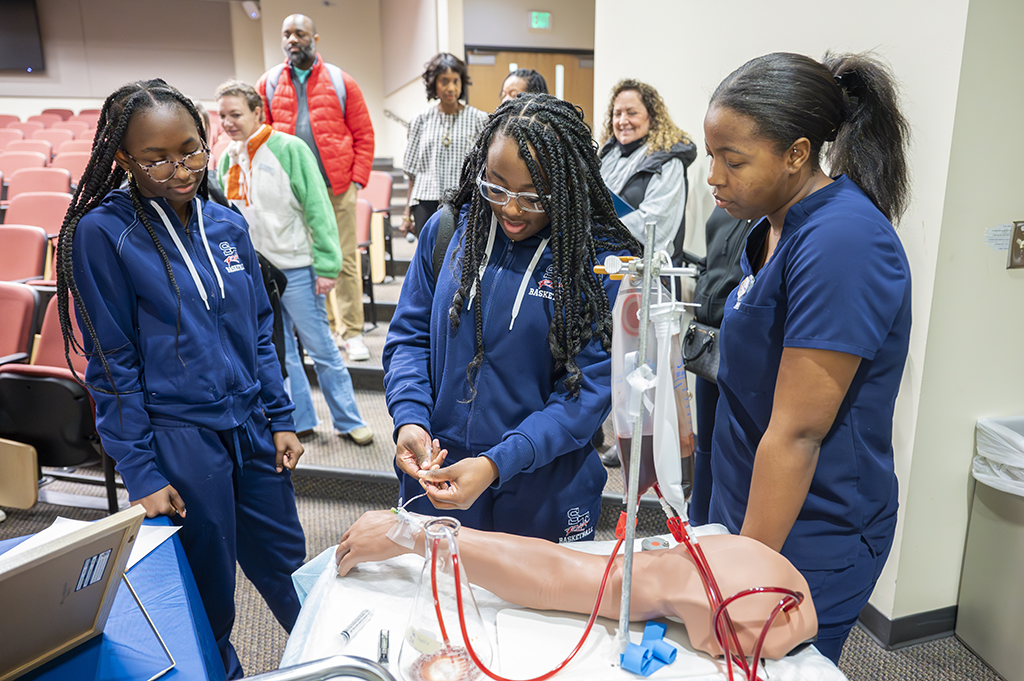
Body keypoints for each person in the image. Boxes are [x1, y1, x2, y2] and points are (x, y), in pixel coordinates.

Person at [54, 79, 308, 679]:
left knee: (289, 565)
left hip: (251, 428)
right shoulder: (104, 235)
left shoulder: (227, 225)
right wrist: (140, 469)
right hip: (181, 440)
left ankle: (328, 658)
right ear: (123, 159)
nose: (180, 168)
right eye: (157, 158)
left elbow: (259, 331)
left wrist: (281, 417)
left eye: (191, 149)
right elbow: (112, 364)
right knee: (208, 590)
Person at [704, 52, 912, 663]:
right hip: (747, 505)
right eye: (711, 154)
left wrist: (746, 577)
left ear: (797, 153)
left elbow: (797, 433)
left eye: (732, 160)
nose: (713, 176)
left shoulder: (842, 240)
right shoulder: (769, 226)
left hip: (814, 530)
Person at [385, 94, 642, 543]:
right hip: (436, 469)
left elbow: (588, 392)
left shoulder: (601, 264)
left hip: (543, 486)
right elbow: (409, 337)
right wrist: (409, 418)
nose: (511, 209)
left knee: (534, 610)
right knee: (435, 603)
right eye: (496, 186)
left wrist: (497, 462)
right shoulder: (449, 231)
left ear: (568, 186)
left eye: (533, 195)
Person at [336, 509, 817, 660]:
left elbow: (555, 577)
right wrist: (414, 531)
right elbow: (558, 570)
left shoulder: (728, 595)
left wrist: (414, 533)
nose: (710, 652)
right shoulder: (743, 572)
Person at [216, 79, 373, 446]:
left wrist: (327, 266)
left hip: (298, 269)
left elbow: (318, 209)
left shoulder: (289, 148)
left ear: (258, 112)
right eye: (222, 115)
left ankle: (350, 420)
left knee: (321, 348)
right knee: (280, 351)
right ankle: (301, 419)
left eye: (235, 114)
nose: (228, 122)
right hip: (257, 274)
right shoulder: (226, 157)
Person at [257, 13, 375, 362]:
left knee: (343, 261)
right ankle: (317, 334)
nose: (292, 39)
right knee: (301, 264)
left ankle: (351, 332)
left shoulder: (342, 81)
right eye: (286, 34)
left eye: (300, 33)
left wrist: (356, 180)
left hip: (337, 188)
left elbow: (364, 134)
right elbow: (261, 135)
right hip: (290, 194)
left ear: (315, 38)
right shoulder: (268, 82)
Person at [684, 206, 755, 526]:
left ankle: (720, 533)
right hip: (708, 340)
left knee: (730, 450)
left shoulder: (773, 217)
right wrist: (700, 283)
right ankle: (697, 522)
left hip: (739, 344)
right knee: (706, 444)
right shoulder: (726, 206)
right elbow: (712, 259)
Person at [598, 79, 696, 258]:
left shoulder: (667, 161)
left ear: (651, 116)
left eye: (632, 113)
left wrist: (600, 228)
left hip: (644, 271)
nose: (622, 121)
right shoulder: (605, 156)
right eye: (617, 113)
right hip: (603, 261)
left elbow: (654, 224)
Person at [400, 53, 489, 239]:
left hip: (464, 200)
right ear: (434, 84)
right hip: (426, 199)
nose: (451, 88)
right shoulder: (420, 120)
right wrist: (406, 213)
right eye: (444, 81)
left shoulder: (478, 119)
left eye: (456, 81)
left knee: (459, 257)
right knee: (428, 256)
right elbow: (412, 173)